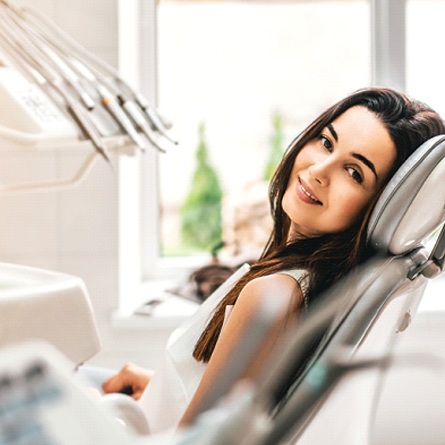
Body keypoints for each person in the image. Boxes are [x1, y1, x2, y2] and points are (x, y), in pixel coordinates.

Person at [101, 87, 445, 436]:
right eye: (326, 142)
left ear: (379, 206)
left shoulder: (274, 295)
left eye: (354, 173)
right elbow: (239, 406)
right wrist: (158, 388)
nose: (318, 170)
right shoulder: (317, 284)